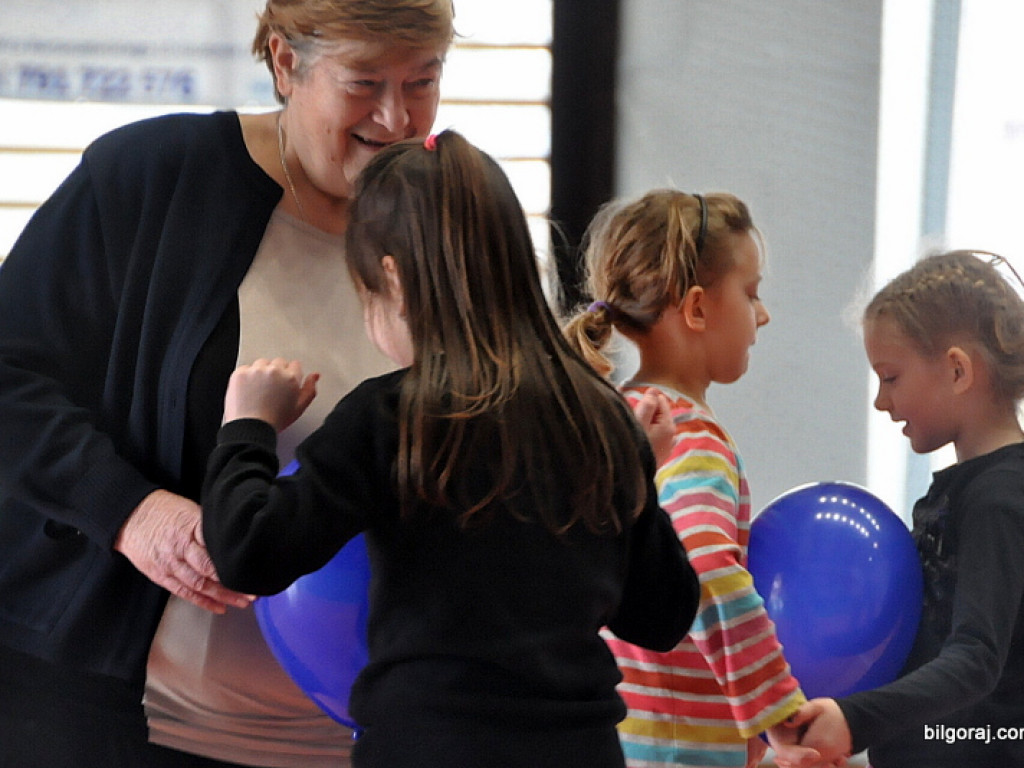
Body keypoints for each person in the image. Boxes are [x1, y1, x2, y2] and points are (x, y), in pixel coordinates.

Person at [0, 2, 455, 766]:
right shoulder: (154, 175)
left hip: (368, 733)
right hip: (127, 721)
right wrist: (131, 513)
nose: (395, 115)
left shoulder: (450, 223)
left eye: (423, 81)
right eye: (364, 81)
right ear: (285, 62)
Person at [198, 129, 702, 768]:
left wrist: (247, 428)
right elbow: (661, 617)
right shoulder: (600, 418)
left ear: (394, 281)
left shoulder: (393, 416)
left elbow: (249, 553)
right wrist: (638, 483)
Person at [564, 189, 814, 768]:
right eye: (751, 293)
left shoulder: (614, 418)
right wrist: (778, 714)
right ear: (697, 309)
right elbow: (705, 568)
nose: (763, 314)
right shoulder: (687, 435)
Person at [768, 250, 1024, 768]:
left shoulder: (1000, 500)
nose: (882, 403)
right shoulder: (964, 490)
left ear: (956, 370)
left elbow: (976, 660)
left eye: (890, 377)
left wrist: (855, 719)